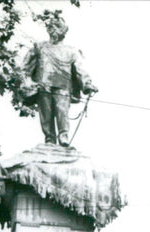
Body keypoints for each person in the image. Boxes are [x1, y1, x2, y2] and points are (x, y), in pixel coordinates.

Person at [21, 13, 97, 146]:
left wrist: (87, 84)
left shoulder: (72, 51)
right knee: (46, 116)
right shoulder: (39, 47)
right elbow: (25, 68)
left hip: (63, 87)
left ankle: (63, 135)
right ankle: (49, 139)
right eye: (52, 27)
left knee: (62, 112)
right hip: (43, 86)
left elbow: (80, 71)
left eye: (58, 27)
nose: (54, 29)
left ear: (63, 31)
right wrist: (28, 83)